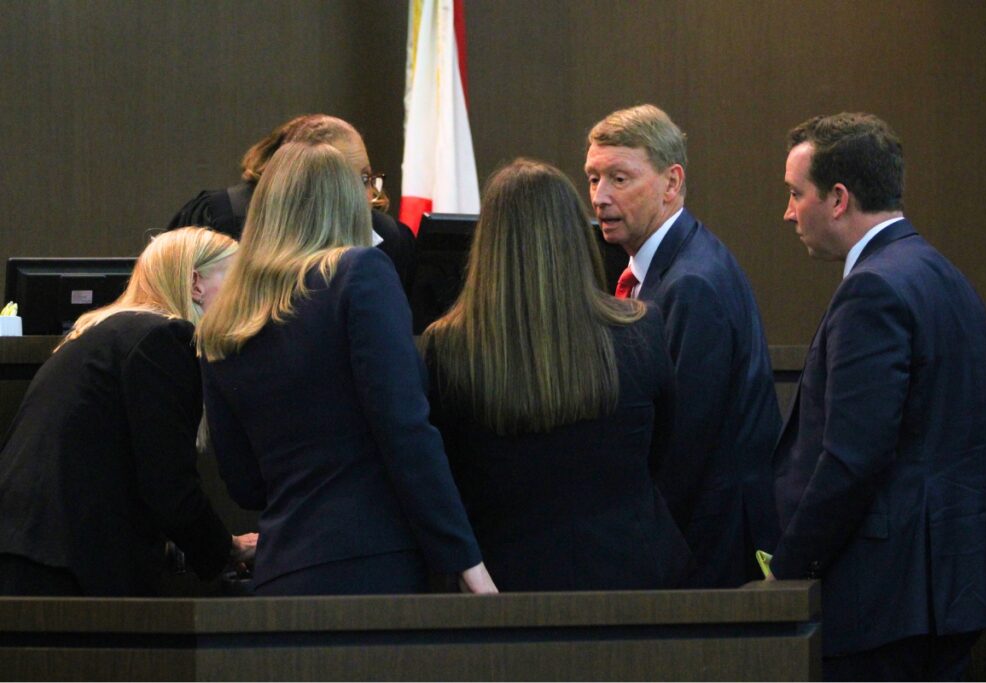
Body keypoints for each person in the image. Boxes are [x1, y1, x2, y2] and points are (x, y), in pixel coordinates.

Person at [195, 141, 496, 596]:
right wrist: (465, 560)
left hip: (281, 570)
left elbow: (243, 483)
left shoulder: (221, 324)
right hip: (372, 568)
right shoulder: (359, 274)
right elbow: (405, 431)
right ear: (345, 203)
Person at [773, 112, 986, 680]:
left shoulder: (873, 289)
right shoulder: (947, 276)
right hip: (949, 591)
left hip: (885, 600)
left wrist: (787, 570)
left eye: (794, 193)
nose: (787, 212)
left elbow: (854, 457)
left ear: (837, 198)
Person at [420, 159, 690, 591]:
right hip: (634, 580)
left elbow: (444, 476)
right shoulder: (639, 329)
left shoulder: (447, 347)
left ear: (486, 243)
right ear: (573, 236)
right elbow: (661, 451)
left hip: (502, 589)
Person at [584, 104, 781, 587]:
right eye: (592, 179)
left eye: (619, 179)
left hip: (710, 554)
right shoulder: (660, 270)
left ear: (672, 183)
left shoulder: (693, 284)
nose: (600, 197)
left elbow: (682, 447)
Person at [0, 228, 257, 596]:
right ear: (196, 283)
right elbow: (169, 484)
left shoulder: (101, 330)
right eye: (237, 282)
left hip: (31, 549)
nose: (245, 299)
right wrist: (226, 549)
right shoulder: (164, 339)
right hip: (66, 562)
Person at [167, 113, 416, 287]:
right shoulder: (222, 218)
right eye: (349, 183)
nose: (368, 196)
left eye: (366, 178)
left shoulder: (388, 239)